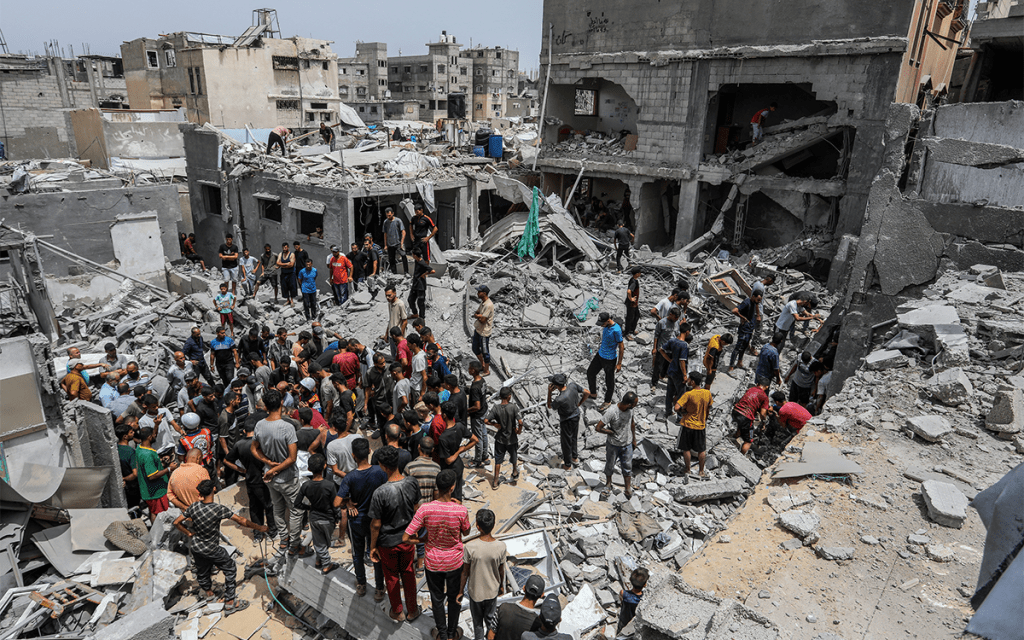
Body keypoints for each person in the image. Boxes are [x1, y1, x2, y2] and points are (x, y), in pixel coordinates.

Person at [174, 479, 267, 614]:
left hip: (196, 547)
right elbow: (241, 521)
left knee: (202, 570)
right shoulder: (218, 509)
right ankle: (230, 603)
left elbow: (176, 522)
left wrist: (188, 533)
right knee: (230, 569)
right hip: (211, 548)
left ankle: (210, 595)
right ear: (213, 490)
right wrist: (260, 527)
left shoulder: (194, 507)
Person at [404, 468, 469, 636]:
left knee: (437, 598)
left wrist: (421, 541)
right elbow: (467, 532)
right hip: (455, 561)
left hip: (433, 561)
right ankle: (453, 633)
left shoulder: (425, 509)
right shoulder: (460, 510)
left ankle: (442, 633)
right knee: (455, 597)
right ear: (452, 488)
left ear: (437, 487)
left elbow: (406, 537)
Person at [369, 446, 422, 622]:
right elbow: (416, 510)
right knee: (408, 573)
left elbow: (376, 524)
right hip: (407, 540)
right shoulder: (411, 483)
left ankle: (397, 611)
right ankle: (413, 610)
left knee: (391, 576)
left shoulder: (380, 493)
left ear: (383, 466)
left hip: (387, 543)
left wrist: (372, 546)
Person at [252, 390, 304, 554]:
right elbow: (292, 458)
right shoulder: (287, 427)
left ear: (265, 406)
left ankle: (284, 540)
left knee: (278, 508)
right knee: (296, 510)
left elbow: (254, 449)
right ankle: (294, 544)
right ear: (282, 403)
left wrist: (268, 464)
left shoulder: (260, 425)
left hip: (270, 478)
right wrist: (273, 468)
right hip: (287, 477)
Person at [337, 438, 388, 597]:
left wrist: (348, 503)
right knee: (376, 553)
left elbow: (336, 502)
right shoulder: (380, 472)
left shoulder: (350, 477)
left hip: (357, 521)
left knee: (357, 554)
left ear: (353, 455)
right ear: (369, 452)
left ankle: (361, 584)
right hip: (376, 521)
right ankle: (379, 589)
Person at [224, 420, 277, 541]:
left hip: (250, 479)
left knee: (254, 508)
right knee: (268, 506)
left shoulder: (239, 444)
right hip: (264, 480)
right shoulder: (260, 443)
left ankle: (258, 534)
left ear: (244, 431)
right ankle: (272, 532)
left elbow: (227, 461)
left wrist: (241, 470)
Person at [460, 509, 507, 640]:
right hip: (492, 591)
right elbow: (501, 569)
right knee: (491, 619)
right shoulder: (501, 546)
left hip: (475, 592)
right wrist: (501, 586)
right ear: (493, 525)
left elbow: (465, 573)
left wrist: (460, 591)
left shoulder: (470, 547)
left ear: (478, 527)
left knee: (477, 622)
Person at [295, 453, 340, 573]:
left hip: (314, 518)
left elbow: (297, 504)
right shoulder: (329, 486)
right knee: (323, 543)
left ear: (309, 469)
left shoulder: (306, 485)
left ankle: (318, 560)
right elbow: (335, 505)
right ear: (325, 466)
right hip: (328, 519)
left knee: (320, 541)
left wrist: (309, 508)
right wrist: (338, 516)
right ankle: (326, 564)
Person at [595, 392, 638, 498]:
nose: (636, 405)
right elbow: (598, 427)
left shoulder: (630, 410)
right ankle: (608, 484)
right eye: (635, 403)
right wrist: (609, 432)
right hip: (613, 444)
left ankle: (628, 488)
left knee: (627, 466)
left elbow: (632, 423)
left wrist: (634, 439)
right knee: (610, 464)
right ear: (629, 404)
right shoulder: (612, 411)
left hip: (627, 443)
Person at [437, 401, 478, 501]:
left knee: (449, 496)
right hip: (458, 465)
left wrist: (459, 451)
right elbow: (475, 440)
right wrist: (463, 448)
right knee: (457, 491)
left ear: (444, 415)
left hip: (449, 468)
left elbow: (449, 460)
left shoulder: (443, 438)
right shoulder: (460, 426)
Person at [547, 373, 589, 470]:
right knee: (574, 437)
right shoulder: (573, 386)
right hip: (576, 415)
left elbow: (549, 405)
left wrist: (549, 392)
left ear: (555, 386)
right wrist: (580, 403)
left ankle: (567, 465)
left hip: (566, 420)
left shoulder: (560, 399)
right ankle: (574, 457)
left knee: (565, 442)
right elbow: (587, 392)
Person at [674, 371, 711, 478]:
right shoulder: (707, 393)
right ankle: (701, 471)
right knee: (701, 449)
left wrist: (682, 411)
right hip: (701, 425)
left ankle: (688, 469)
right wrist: (705, 418)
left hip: (688, 425)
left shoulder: (688, 394)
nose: (688, 381)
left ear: (693, 382)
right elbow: (708, 408)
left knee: (686, 448)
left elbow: (676, 408)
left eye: (689, 379)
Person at [135, 426, 178, 516]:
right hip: (155, 492)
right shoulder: (148, 454)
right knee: (159, 514)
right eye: (154, 434)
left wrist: (161, 461)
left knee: (154, 511)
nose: (155, 436)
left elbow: (147, 466)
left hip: (149, 490)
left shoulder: (140, 448)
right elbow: (152, 476)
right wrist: (169, 469)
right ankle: (158, 530)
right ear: (149, 437)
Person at [587, 312, 624, 410]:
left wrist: (619, 363)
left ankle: (607, 401)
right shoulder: (606, 326)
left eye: (602, 323)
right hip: (600, 354)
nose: (601, 325)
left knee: (609, 381)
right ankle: (593, 393)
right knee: (590, 372)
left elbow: (621, 346)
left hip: (610, 359)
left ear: (608, 321)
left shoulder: (616, 330)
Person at [486, 387, 522, 489]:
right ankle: (515, 473)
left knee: (498, 460)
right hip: (512, 438)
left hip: (500, 439)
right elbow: (520, 422)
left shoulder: (495, 408)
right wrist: (519, 430)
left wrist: (495, 424)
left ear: (500, 397)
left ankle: (496, 481)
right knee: (513, 456)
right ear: (509, 396)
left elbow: (485, 420)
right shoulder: (513, 407)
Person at [493, 575, 544, 640]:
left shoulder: (503, 608)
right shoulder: (537, 623)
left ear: (524, 588)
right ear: (542, 595)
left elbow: (491, 636)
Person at [659, 322, 692, 418]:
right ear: (687, 332)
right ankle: (679, 418)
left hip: (671, 370)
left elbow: (661, 349)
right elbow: (682, 361)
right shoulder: (684, 345)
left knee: (669, 393)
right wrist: (685, 375)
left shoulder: (672, 340)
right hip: (679, 373)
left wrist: (669, 360)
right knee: (681, 395)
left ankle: (668, 412)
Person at [732, 382, 770, 455]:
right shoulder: (765, 397)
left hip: (736, 411)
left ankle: (735, 436)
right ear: (767, 387)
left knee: (741, 425)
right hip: (746, 416)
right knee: (749, 441)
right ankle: (740, 456)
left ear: (758, 384)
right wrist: (764, 422)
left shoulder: (751, 389)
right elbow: (762, 413)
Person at [728, 292, 761, 371]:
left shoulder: (754, 302)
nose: (759, 302)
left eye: (760, 300)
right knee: (738, 348)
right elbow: (734, 310)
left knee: (744, 346)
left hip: (749, 329)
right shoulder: (746, 302)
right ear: (753, 296)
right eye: (758, 299)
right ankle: (731, 367)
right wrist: (742, 317)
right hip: (744, 330)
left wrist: (758, 315)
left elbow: (756, 306)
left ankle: (739, 362)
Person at [651, 306, 680, 393]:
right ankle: (654, 384)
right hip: (662, 349)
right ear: (670, 314)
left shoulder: (677, 322)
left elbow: (677, 334)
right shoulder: (661, 323)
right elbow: (656, 336)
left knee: (667, 365)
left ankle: (662, 376)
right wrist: (654, 348)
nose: (676, 319)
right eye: (675, 317)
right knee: (657, 366)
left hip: (672, 349)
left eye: (677, 318)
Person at [117, 422, 141, 510]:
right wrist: (124, 478)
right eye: (131, 432)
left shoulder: (116, 448)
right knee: (134, 508)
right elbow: (135, 474)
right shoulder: (130, 451)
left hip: (124, 488)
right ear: (125, 437)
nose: (134, 433)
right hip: (132, 487)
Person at [472, 285, 494, 376]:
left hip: (484, 332)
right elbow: (476, 313)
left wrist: (479, 316)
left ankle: (486, 370)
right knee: (475, 348)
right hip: (478, 330)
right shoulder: (483, 303)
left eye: (479, 292)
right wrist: (479, 316)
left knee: (485, 352)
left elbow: (483, 320)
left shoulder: (488, 305)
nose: (477, 293)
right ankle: (483, 365)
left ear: (484, 293)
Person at [618, 568, 649, 633]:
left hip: (624, 620)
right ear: (645, 584)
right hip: (635, 623)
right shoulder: (643, 599)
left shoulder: (623, 593)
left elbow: (621, 601)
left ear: (630, 579)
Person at [409, 248, 434, 319]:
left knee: (420, 303)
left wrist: (424, 274)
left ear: (415, 255)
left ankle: (422, 318)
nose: (412, 255)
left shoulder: (422, 263)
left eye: (413, 254)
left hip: (420, 286)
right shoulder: (417, 261)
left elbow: (432, 271)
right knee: (410, 300)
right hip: (415, 284)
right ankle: (415, 314)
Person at [383, 207, 408, 275]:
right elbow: (385, 234)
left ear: (393, 214)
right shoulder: (385, 222)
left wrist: (402, 242)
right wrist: (385, 245)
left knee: (403, 255)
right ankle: (394, 273)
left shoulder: (398, 221)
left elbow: (403, 232)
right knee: (391, 259)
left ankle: (406, 272)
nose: (388, 217)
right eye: (387, 215)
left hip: (398, 243)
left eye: (390, 215)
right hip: (390, 243)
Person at [623, 266, 641, 338]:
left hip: (634, 303)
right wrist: (631, 299)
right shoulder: (633, 282)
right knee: (630, 318)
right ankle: (627, 333)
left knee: (637, 316)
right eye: (639, 273)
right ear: (636, 274)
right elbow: (629, 291)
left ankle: (632, 330)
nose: (640, 274)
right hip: (631, 304)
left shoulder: (634, 280)